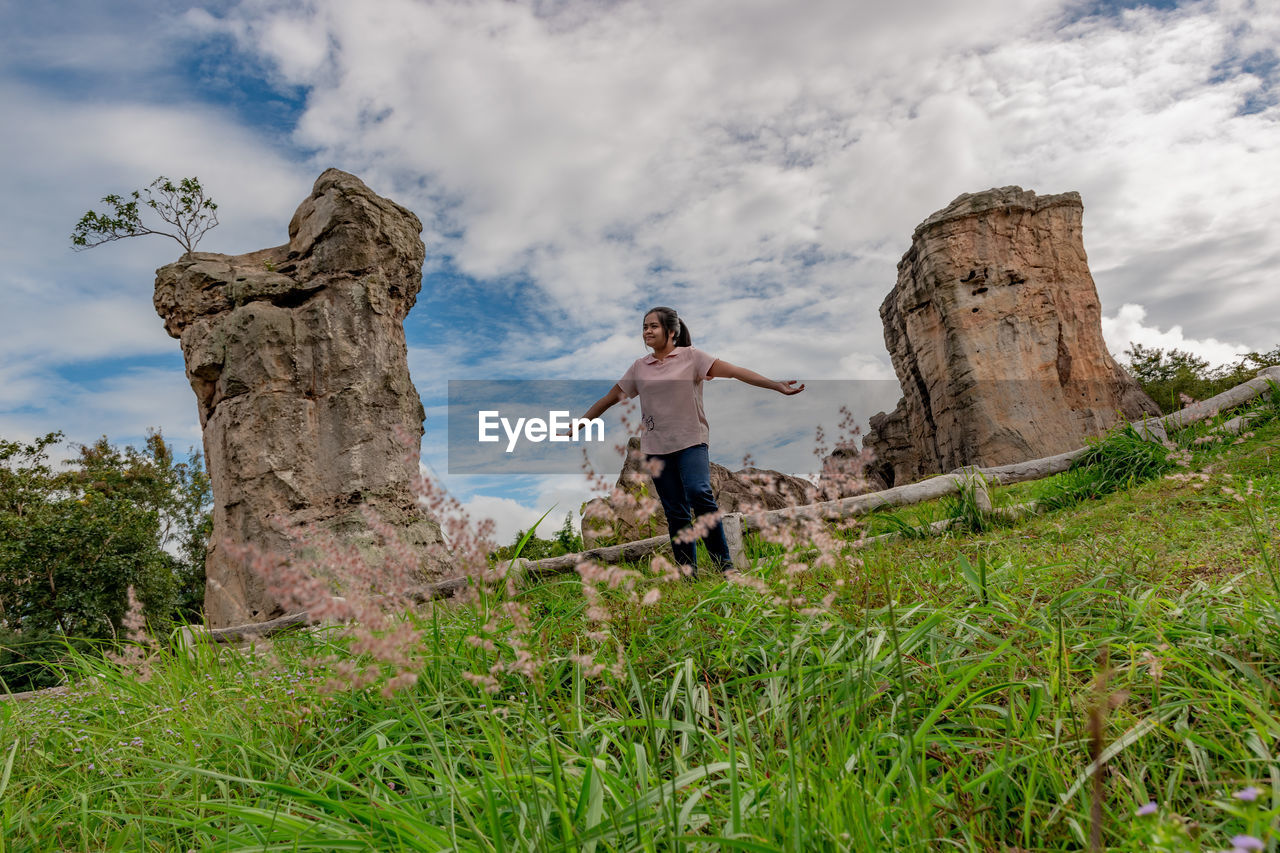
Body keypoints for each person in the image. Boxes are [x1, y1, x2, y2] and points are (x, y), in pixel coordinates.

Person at [579, 306, 804, 576]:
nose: (647, 331)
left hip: (691, 442)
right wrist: (581, 422)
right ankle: (689, 574)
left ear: (671, 331)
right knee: (676, 512)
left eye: (653, 326)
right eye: (644, 327)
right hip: (656, 449)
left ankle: (725, 569)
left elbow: (734, 371)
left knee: (700, 492)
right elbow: (609, 398)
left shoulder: (692, 357)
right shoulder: (640, 367)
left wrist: (775, 385)